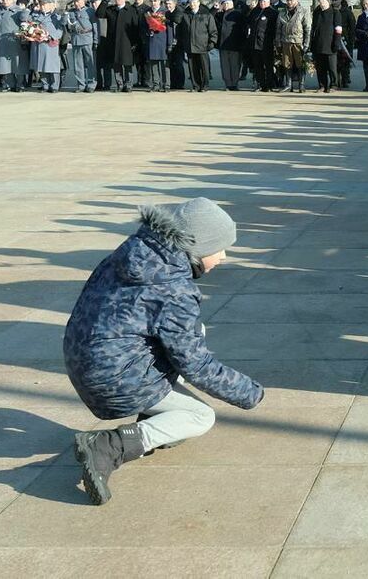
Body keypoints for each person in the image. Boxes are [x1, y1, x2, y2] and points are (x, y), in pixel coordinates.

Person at [64, 198, 263, 506]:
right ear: (195, 246)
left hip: (83, 357)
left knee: (193, 332)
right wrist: (248, 392)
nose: (223, 257)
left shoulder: (134, 254)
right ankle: (107, 447)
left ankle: (154, 415)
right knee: (201, 416)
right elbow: (195, 364)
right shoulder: (175, 290)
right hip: (113, 379)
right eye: (219, 248)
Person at [0, 0, 27, 93]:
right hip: (1, 41)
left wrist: (25, 11)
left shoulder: (18, 10)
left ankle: (20, 84)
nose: (5, 1)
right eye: (3, 0)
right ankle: (9, 84)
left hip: (14, 40)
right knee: (4, 64)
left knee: (17, 63)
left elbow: (24, 19)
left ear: (12, 0)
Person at [181, 0, 218, 92]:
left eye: (194, 2)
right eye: (190, 2)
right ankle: (195, 85)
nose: (192, 4)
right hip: (190, 45)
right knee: (193, 68)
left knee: (204, 67)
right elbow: (181, 30)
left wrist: (212, 42)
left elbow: (213, 31)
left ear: (198, 3)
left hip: (202, 45)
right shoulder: (185, 15)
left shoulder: (206, 15)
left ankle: (205, 85)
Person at [276, 0, 311, 93]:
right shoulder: (282, 12)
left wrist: (306, 44)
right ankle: (288, 85)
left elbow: (307, 29)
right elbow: (278, 29)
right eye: (288, 0)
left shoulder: (303, 11)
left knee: (300, 64)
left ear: (296, 0)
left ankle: (301, 85)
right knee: (287, 64)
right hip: (286, 41)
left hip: (298, 42)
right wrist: (278, 42)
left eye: (291, 0)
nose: (289, 2)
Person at [64, 0, 97, 93]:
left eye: (78, 1)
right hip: (76, 39)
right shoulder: (70, 13)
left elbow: (95, 25)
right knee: (78, 64)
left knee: (90, 63)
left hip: (87, 38)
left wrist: (95, 40)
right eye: (75, 1)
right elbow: (66, 25)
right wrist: (65, 13)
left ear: (83, 0)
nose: (76, 3)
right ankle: (81, 85)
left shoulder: (90, 11)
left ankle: (91, 84)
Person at [248, 0, 278, 91]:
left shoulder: (273, 13)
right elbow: (249, 23)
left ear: (268, 2)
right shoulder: (254, 11)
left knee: (268, 65)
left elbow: (275, 29)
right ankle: (261, 84)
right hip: (255, 43)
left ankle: (270, 84)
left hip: (267, 43)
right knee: (257, 66)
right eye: (261, 1)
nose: (262, 3)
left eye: (264, 1)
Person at [309, 0, 340, 93]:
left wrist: (336, 42)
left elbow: (338, 29)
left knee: (331, 67)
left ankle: (334, 85)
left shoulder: (335, 13)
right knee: (320, 67)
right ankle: (322, 85)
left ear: (328, 1)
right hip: (318, 43)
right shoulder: (317, 13)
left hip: (330, 44)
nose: (321, 1)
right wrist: (311, 42)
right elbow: (313, 28)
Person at [143, 0, 174, 92]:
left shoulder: (165, 12)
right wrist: (147, 33)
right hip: (152, 41)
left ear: (159, 1)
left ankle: (166, 85)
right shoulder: (147, 12)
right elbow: (143, 26)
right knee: (153, 64)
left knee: (164, 65)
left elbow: (169, 29)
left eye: (155, 0)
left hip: (163, 40)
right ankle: (156, 84)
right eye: (151, 1)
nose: (153, 3)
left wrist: (170, 43)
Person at [217, 0, 248, 91]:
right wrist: (215, 9)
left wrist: (242, 42)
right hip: (223, 44)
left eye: (228, 3)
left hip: (235, 44)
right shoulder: (219, 15)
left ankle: (234, 84)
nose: (226, 5)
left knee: (235, 65)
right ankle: (228, 84)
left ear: (232, 4)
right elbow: (211, 16)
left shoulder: (238, 14)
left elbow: (244, 29)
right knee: (225, 66)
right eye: (224, 3)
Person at [336, 0, 356, 88]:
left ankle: (345, 78)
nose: (334, 1)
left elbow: (352, 27)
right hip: (333, 38)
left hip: (345, 39)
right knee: (335, 60)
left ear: (340, 0)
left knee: (345, 59)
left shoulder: (347, 12)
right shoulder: (330, 11)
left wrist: (351, 40)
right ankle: (336, 79)